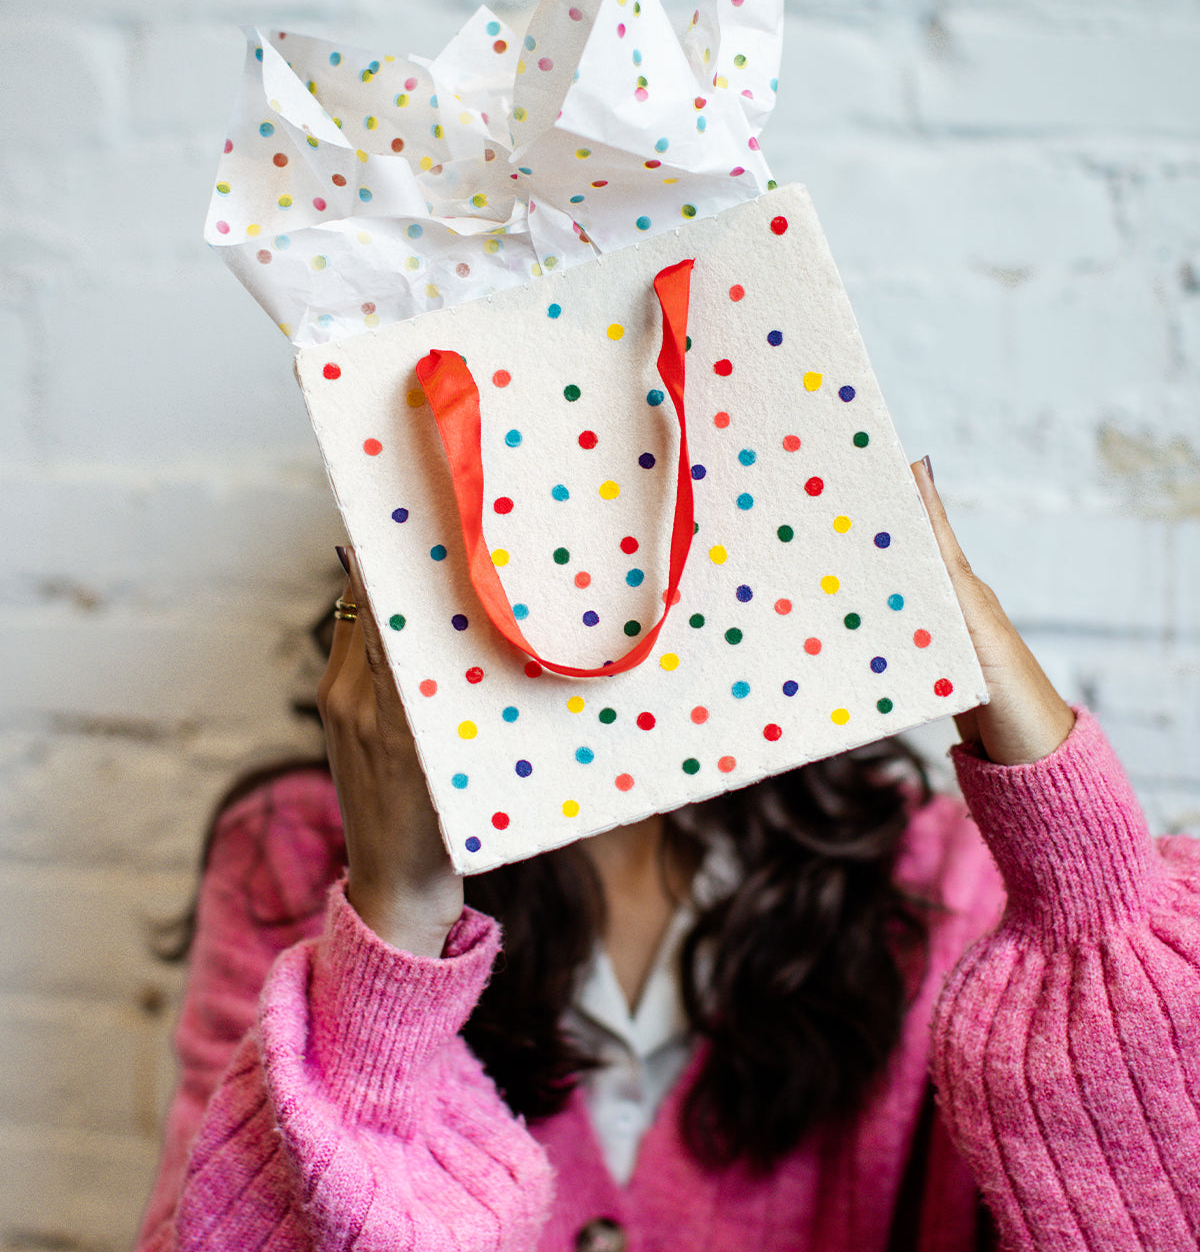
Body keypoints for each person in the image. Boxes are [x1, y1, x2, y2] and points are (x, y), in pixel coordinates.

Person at [135, 461, 1200, 1251]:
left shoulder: (953, 882)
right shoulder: (298, 854)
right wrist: (396, 922)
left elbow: (1150, 1205)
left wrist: (1083, 878)